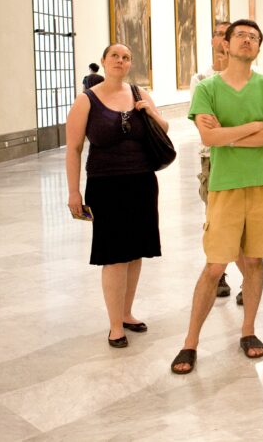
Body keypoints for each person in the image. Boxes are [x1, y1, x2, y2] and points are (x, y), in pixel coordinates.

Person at [171, 19, 263, 374]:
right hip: (224, 185)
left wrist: (230, 132)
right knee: (215, 266)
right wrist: (253, 127)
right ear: (226, 43)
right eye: (241, 35)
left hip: (261, 182)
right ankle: (190, 342)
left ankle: (248, 331)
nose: (248, 41)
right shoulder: (207, 88)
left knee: (253, 261)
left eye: (254, 38)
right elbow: (210, 139)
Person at [65, 43, 166, 348]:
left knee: (136, 252)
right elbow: (74, 149)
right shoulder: (86, 101)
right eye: (115, 57)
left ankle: (126, 312)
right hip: (106, 186)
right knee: (114, 256)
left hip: (142, 182)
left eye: (125, 57)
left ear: (129, 63)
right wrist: (73, 191)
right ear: (104, 62)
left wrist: (149, 111)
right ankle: (114, 326)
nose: (120, 61)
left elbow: (164, 127)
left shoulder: (139, 94)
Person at [189, 21, 236, 303]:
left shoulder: (251, 76)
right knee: (215, 218)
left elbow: (258, 123)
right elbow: (204, 123)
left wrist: (227, 128)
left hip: (243, 157)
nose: (223, 40)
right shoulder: (201, 79)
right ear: (212, 41)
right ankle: (219, 273)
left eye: (227, 35)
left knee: (247, 219)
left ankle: (247, 278)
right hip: (212, 157)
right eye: (218, 34)